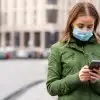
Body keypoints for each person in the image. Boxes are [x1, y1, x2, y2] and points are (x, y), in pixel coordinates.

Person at [46, 2, 100, 100]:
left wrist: (96, 81)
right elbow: (51, 88)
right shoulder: (57, 49)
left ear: (94, 25)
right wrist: (76, 78)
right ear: (71, 23)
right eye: (80, 26)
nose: (85, 30)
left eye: (89, 27)